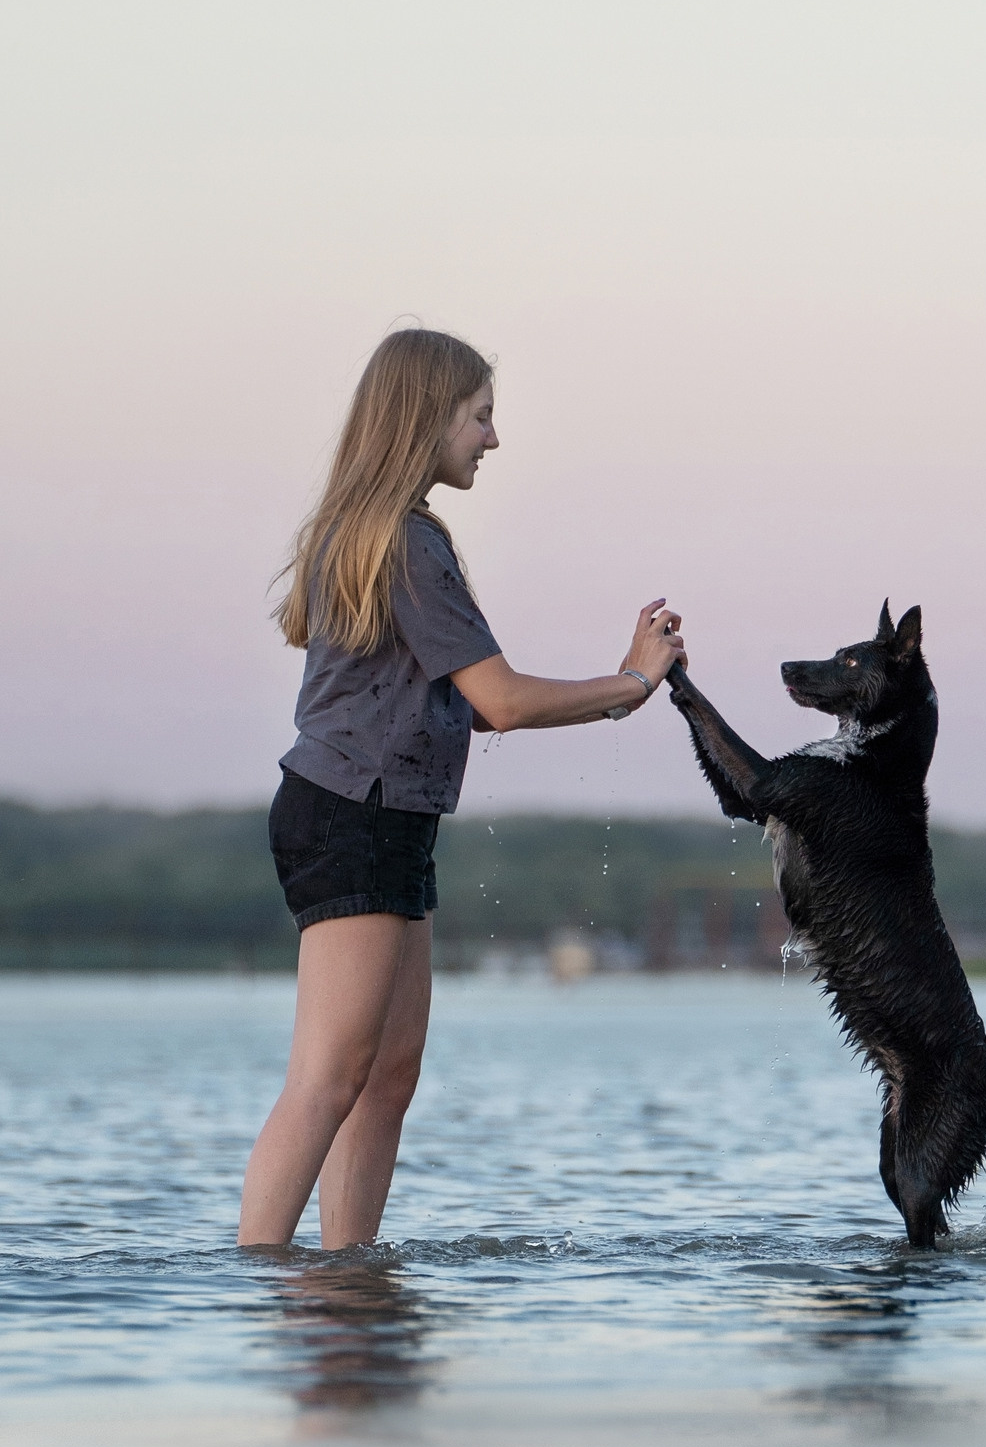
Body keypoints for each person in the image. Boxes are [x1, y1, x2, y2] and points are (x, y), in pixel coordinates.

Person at [238, 328, 685, 1250]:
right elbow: (504, 701)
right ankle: (255, 1284)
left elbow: (454, 701)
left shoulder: (401, 536)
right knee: (330, 1074)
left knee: (388, 1070)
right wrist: (631, 685)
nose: (492, 439)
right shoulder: (401, 543)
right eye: (480, 417)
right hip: (349, 815)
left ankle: (348, 1281)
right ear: (424, 418)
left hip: (386, 820)